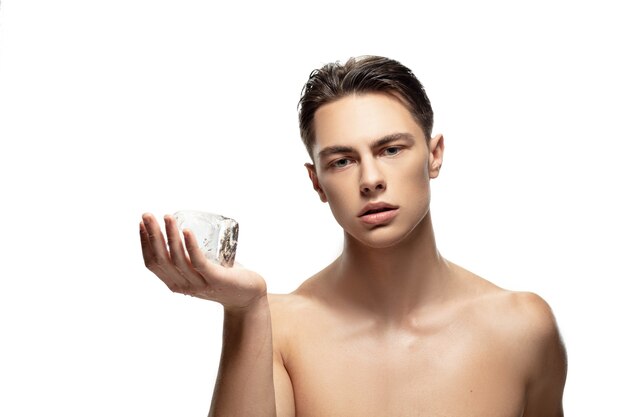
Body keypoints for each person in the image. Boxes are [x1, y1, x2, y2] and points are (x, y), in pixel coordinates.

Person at [139, 55, 567, 417]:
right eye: (343, 161)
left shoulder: (523, 327)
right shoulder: (279, 327)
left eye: (391, 150)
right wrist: (245, 310)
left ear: (434, 156)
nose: (371, 179)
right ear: (317, 183)